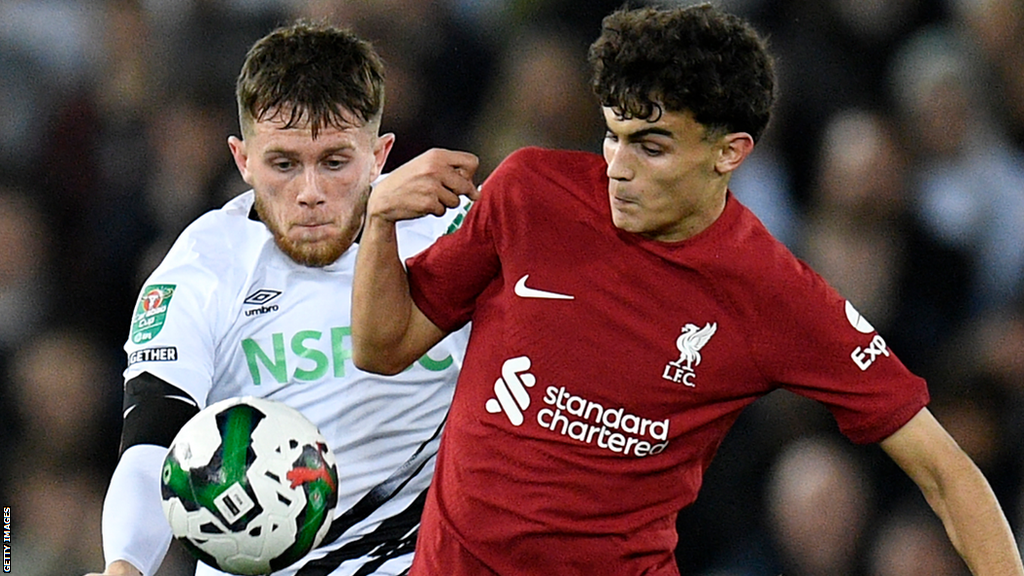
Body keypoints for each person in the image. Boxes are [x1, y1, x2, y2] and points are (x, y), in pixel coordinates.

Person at [350, 4, 1024, 575]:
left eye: (651, 146)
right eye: (612, 136)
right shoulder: (529, 192)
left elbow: (947, 473)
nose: (617, 168)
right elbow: (383, 348)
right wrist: (379, 219)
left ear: (729, 152)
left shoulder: (772, 294)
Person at [87, 20, 479, 576]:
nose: (311, 192)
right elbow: (152, 443)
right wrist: (125, 565)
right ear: (243, 159)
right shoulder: (203, 266)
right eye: (284, 164)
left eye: (336, 162)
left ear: (379, 154)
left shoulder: (458, 237)